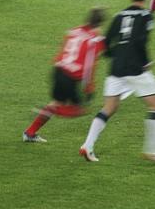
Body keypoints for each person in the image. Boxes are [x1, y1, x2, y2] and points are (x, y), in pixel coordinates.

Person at [79, 0, 155, 164]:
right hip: (135, 69)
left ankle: (87, 145)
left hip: (117, 68)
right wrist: (145, 62)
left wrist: (115, 56)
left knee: (109, 107)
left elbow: (106, 42)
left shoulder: (119, 15)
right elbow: (140, 41)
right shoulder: (146, 16)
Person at [22, 8, 107, 143]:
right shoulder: (95, 40)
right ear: (101, 24)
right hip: (70, 78)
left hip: (58, 70)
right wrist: (89, 88)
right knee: (79, 109)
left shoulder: (74, 31)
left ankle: (30, 132)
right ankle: (52, 111)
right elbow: (89, 66)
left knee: (56, 102)